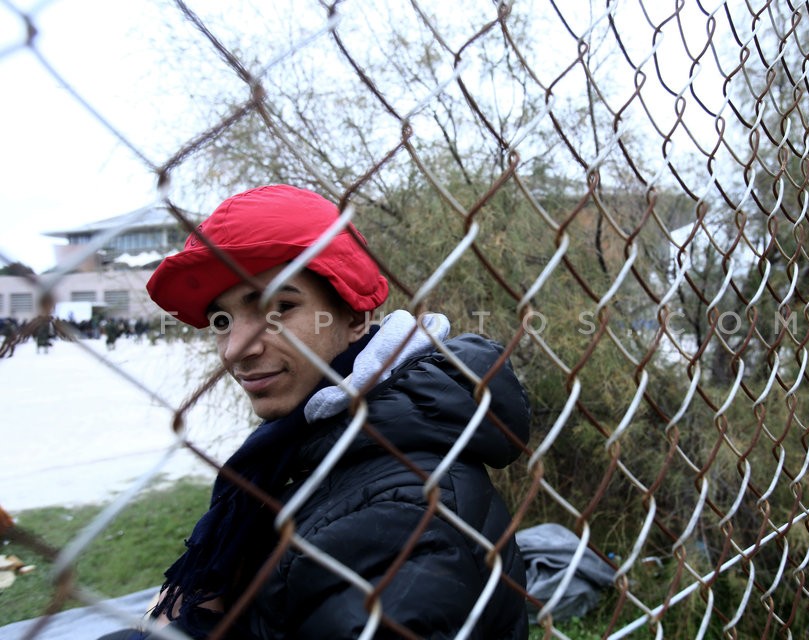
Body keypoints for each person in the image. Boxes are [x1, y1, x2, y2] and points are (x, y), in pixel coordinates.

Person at [99, 184, 530, 639]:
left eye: (279, 308)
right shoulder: (306, 448)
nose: (235, 349)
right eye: (221, 320)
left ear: (354, 316)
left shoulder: (403, 513)